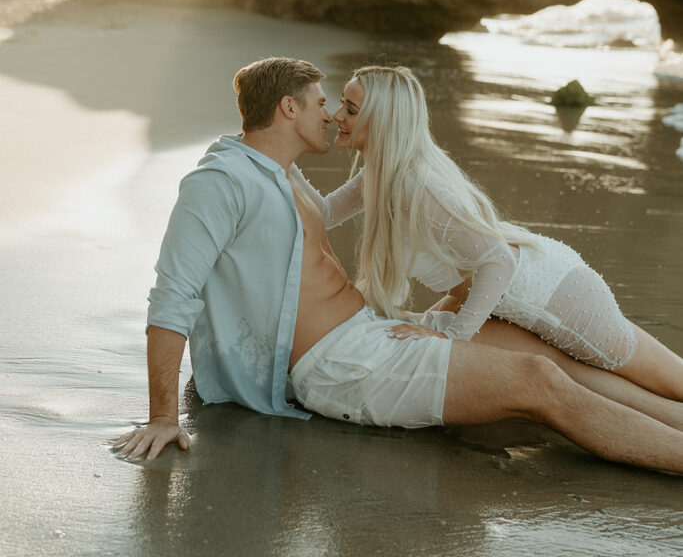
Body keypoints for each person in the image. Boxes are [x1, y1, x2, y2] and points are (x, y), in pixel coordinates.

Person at [115, 57, 683, 472]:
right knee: (539, 381)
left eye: (344, 107)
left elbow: (354, 207)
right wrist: (163, 414)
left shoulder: (283, 174)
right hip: (339, 362)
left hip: (378, 331)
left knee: (539, 352)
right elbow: (173, 295)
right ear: (289, 108)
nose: (334, 116)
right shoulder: (221, 182)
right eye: (322, 104)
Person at [327, 64, 683, 404]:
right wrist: (279, 153)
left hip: (554, 298)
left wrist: (454, 338)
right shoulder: (383, 172)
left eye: (351, 109)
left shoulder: (413, 184)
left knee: (663, 381)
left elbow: (497, 260)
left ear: (383, 121)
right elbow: (323, 214)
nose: (337, 115)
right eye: (342, 104)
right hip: (539, 279)